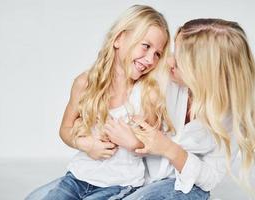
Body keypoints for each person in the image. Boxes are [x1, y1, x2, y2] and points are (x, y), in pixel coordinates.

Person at [26, 5, 174, 200]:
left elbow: (154, 143)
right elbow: (65, 129)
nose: (150, 60)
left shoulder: (147, 94)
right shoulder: (85, 83)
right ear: (119, 39)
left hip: (120, 184)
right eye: (146, 46)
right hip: (77, 177)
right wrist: (87, 145)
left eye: (157, 54)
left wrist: (133, 142)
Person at [105, 18, 255, 199]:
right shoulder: (160, 79)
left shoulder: (234, 117)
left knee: (189, 192)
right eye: (174, 52)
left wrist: (169, 149)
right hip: (132, 178)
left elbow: (210, 178)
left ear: (206, 75)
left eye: (180, 63)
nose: (169, 62)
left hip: (180, 187)